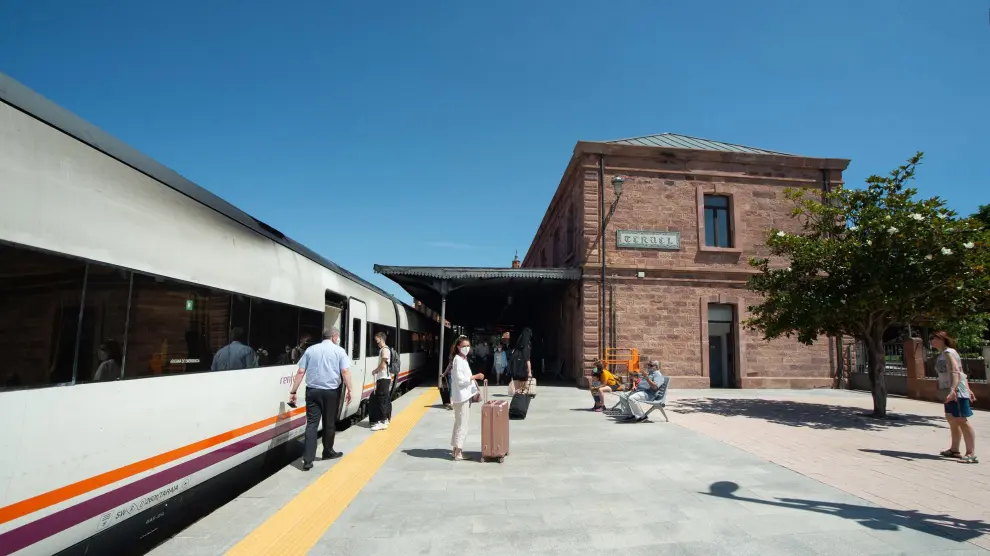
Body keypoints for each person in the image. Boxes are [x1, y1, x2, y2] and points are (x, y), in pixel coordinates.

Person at [289, 327, 352, 470]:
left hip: (312, 392)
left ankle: (307, 460)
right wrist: (350, 389)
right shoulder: (339, 351)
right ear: (334, 337)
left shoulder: (310, 350)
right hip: (330, 392)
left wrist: (293, 391)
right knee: (329, 423)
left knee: (311, 424)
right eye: (337, 337)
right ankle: (327, 451)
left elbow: (300, 371)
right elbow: (345, 371)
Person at [932, 331, 978, 464]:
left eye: (933, 338)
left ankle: (971, 453)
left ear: (941, 339)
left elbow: (955, 371)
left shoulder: (948, 352)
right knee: (951, 418)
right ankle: (954, 449)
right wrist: (969, 389)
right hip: (949, 391)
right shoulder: (943, 353)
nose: (931, 341)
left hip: (956, 392)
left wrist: (954, 390)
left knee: (961, 420)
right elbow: (961, 371)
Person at [449, 335, 485, 461]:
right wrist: (476, 376)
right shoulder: (459, 360)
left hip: (461, 396)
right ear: (458, 347)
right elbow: (461, 380)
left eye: (468, 346)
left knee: (458, 423)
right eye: (463, 346)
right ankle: (458, 452)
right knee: (463, 424)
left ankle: (455, 450)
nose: (466, 348)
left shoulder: (461, 359)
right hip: (462, 397)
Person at [370, 331, 393, 431]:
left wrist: (375, 371)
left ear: (381, 338)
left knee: (382, 399)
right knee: (384, 398)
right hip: (384, 378)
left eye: (377, 339)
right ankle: (385, 420)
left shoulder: (384, 350)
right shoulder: (384, 350)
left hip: (383, 378)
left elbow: (383, 365)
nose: (376, 342)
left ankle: (383, 421)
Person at [509, 328, 533, 395]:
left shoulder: (518, 344)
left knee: (516, 382)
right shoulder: (526, 345)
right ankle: (521, 396)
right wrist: (530, 372)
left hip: (515, 367)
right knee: (523, 386)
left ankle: (517, 395)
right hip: (523, 368)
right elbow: (527, 359)